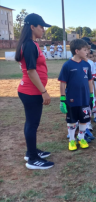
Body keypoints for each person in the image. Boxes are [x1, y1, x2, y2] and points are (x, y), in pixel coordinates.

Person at [15, 13, 54, 169]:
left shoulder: (31, 43)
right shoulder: (30, 45)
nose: (43, 30)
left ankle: (31, 151)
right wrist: (43, 91)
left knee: (31, 123)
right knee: (32, 124)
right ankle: (32, 159)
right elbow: (31, 71)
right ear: (32, 27)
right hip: (31, 92)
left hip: (30, 90)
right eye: (41, 26)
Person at [58, 39, 94, 151]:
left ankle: (81, 137)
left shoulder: (86, 65)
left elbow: (89, 81)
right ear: (77, 51)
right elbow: (62, 83)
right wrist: (63, 99)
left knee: (84, 120)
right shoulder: (67, 65)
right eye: (85, 50)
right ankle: (72, 140)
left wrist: (91, 96)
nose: (87, 52)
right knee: (72, 121)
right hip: (72, 99)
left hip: (84, 99)